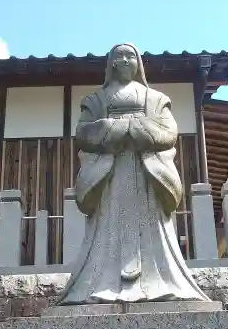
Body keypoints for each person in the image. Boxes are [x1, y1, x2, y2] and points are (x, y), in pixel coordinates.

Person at [58, 43, 210, 304]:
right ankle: (98, 283)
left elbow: (168, 133)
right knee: (106, 229)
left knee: (155, 231)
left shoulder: (156, 99)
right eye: (120, 57)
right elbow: (83, 133)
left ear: (139, 63)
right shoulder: (95, 101)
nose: (126, 60)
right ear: (111, 64)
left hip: (147, 175)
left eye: (131, 56)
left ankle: (160, 282)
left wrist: (133, 128)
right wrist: (116, 129)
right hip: (110, 178)